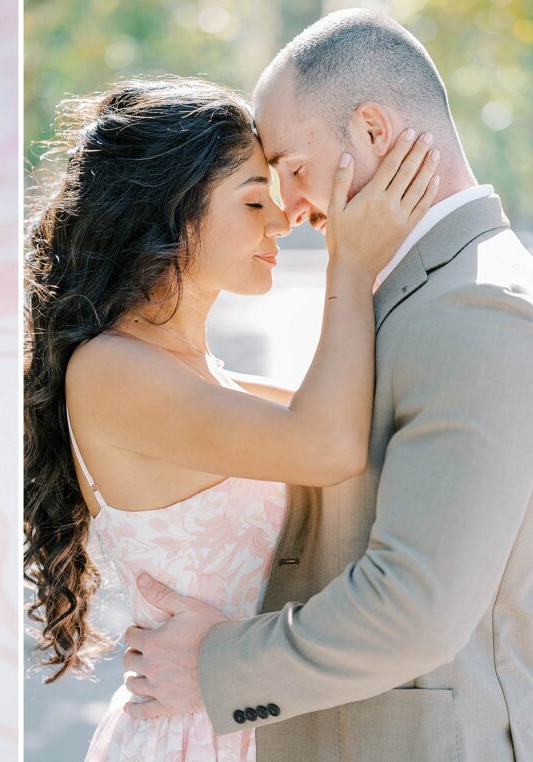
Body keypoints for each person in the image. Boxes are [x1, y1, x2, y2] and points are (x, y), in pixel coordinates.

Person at [123, 10, 533, 761]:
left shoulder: (481, 309)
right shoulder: (414, 294)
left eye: (292, 167)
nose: (291, 207)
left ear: (372, 133)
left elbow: (416, 609)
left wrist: (212, 670)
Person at [23, 73, 437, 760]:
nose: (280, 221)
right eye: (253, 201)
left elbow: (363, 425)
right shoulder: (111, 371)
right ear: (172, 212)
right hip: (196, 736)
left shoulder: (207, 376)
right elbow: (328, 445)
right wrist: (352, 262)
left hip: (251, 715)